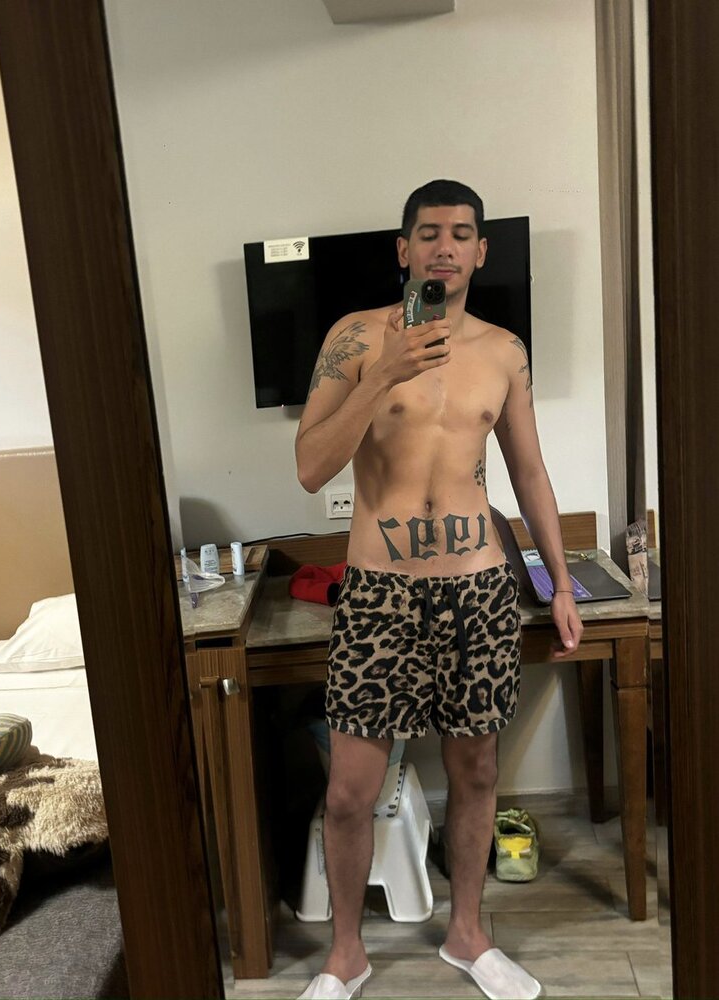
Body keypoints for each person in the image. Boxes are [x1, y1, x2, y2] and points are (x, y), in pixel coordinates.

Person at [294, 179, 583, 1000]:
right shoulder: (355, 338)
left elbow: (529, 474)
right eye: (428, 233)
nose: (444, 247)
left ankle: (467, 935)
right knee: (349, 792)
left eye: (460, 234)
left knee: (478, 772)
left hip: (478, 590)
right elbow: (311, 466)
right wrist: (381, 376)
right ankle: (346, 955)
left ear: (480, 252)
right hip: (379, 593)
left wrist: (559, 582)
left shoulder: (503, 352)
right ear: (404, 249)